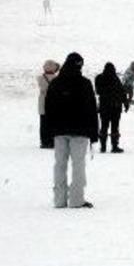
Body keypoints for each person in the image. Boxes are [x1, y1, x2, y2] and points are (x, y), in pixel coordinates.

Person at [44, 52, 98, 207]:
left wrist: (49, 130)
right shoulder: (85, 83)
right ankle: (76, 199)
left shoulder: (56, 83)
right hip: (80, 131)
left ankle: (59, 199)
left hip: (59, 130)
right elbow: (91, 109)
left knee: (59, 164)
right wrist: (94, 134)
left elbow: (49, 107)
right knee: (78, 165)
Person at [94, 62, 128, 153]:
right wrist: (125, 102)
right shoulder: (115, 78)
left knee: (104, 126)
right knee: (115, 126)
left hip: (104, 106)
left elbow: (98, 91)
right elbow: (122, 91)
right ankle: (114, 146)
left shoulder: (99, 78)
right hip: (115, 106)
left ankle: (103, 146)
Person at [37, 60, 60, 148]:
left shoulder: (40, 78)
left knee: (43, 123)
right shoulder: (57, 79)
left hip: (43, 102)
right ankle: (51, 140)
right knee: (53, 123)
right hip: (53, 102)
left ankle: (44, 141)